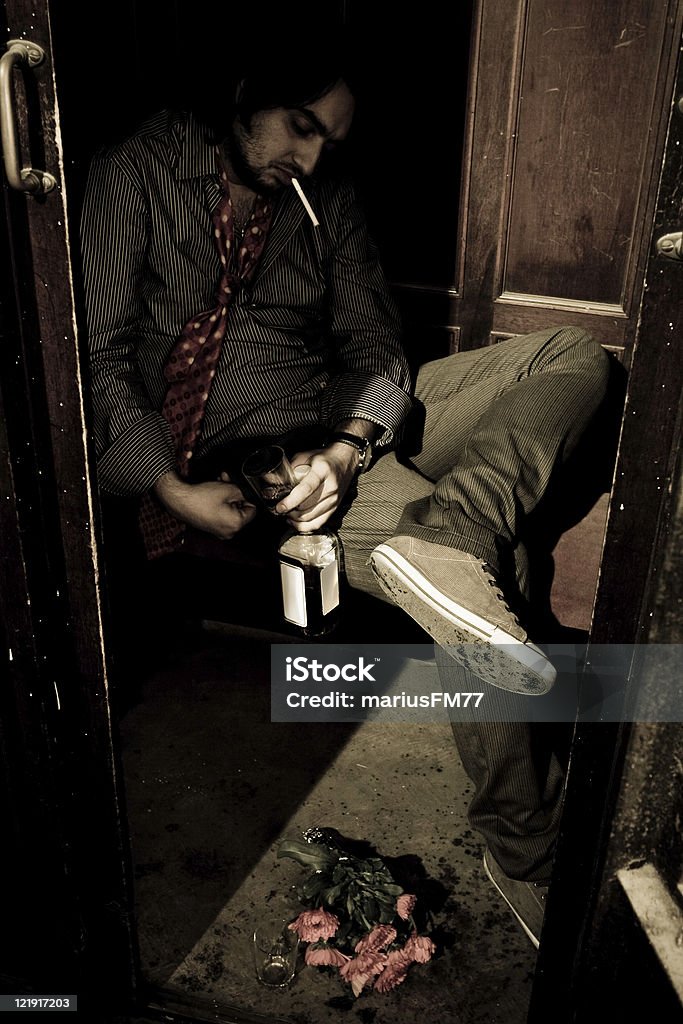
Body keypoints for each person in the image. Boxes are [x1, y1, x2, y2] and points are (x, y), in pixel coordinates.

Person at [80, 31, 611, 949]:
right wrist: (168, 489)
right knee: (502, 564)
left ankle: (450, 529)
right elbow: (98, 355)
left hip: (338, 428)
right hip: (251, 453)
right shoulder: (135, 171)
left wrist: (351, 444)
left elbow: (374, 347)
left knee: (573, 355)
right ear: (244, 91)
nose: (312, 157)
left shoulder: (322, 194)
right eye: (299, 128)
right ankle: (525, 852)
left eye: (328, 140)